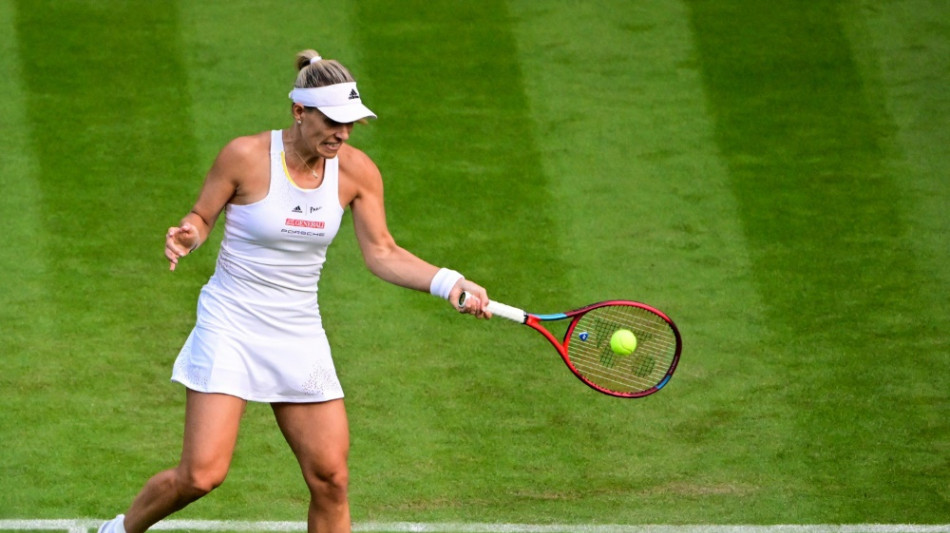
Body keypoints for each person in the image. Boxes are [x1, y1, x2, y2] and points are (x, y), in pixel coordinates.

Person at [98, 49, 491, 533]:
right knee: (201, 475)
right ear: (299, 111)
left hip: (298, 333)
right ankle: (117, 531)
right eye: (332, 122)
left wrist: (449, 282)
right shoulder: (244, 156)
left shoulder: (356, 171)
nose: (342, 134)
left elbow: (383, 251)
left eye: (350, 124)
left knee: (331, 478)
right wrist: (189, 234)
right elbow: (202, 217)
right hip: (231, 326)